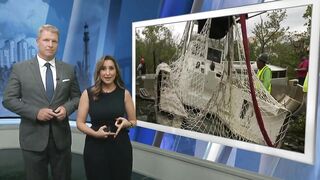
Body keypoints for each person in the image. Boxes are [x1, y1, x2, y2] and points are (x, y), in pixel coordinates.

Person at [2, 24, 81, 180]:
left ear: (58, 43)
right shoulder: (20, 69)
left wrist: (66, 109)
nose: (50, 45)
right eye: (46, 40)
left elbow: (77, 97)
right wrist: (36, 112)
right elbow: (8, 99)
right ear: (38, 41)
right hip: (32, 140)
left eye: (54, 41)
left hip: (61, 140)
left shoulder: (69, 70)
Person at [76, 55, 137, 180]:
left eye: (111, 68)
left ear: (116, 72)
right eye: (104, 69)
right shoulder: (88, 94)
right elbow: (80, 123)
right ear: (99, 72)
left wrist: (128, 123)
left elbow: (133, 121)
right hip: (95, 149)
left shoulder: (124, 94)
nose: (108, 73)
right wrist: (95, 133)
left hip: (120, 148)